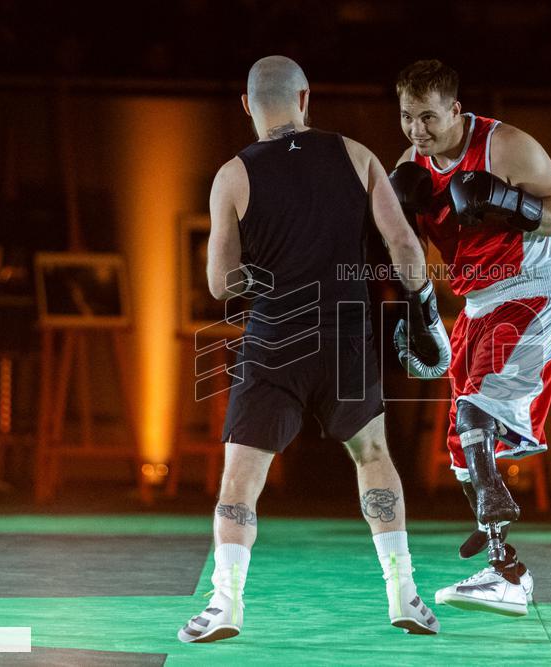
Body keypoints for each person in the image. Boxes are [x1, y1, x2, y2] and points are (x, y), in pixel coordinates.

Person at [177, 55, 450, 643]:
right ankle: (404, 595)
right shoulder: (357, 155)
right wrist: (426, 311)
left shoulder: (233, 175)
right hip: (349, 333)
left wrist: (266, 275)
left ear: (248, 106)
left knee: (241, 479)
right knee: (373, 453)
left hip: (276, 334)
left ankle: (225, 605)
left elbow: (220, 284)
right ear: (306, 99)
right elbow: (403, 246)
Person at [389, 59, 551, 617]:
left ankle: (506, 570)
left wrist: (513, 205)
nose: (417, 131)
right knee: (460, 449)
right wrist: (420, 311)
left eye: (428, 117)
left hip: (533, 291)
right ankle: (506, 573)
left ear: (454, 108)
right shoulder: (409, 163)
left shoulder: (507, 146)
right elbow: (406, 252)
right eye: (405, 117)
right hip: (475, 304)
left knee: (477, 412)